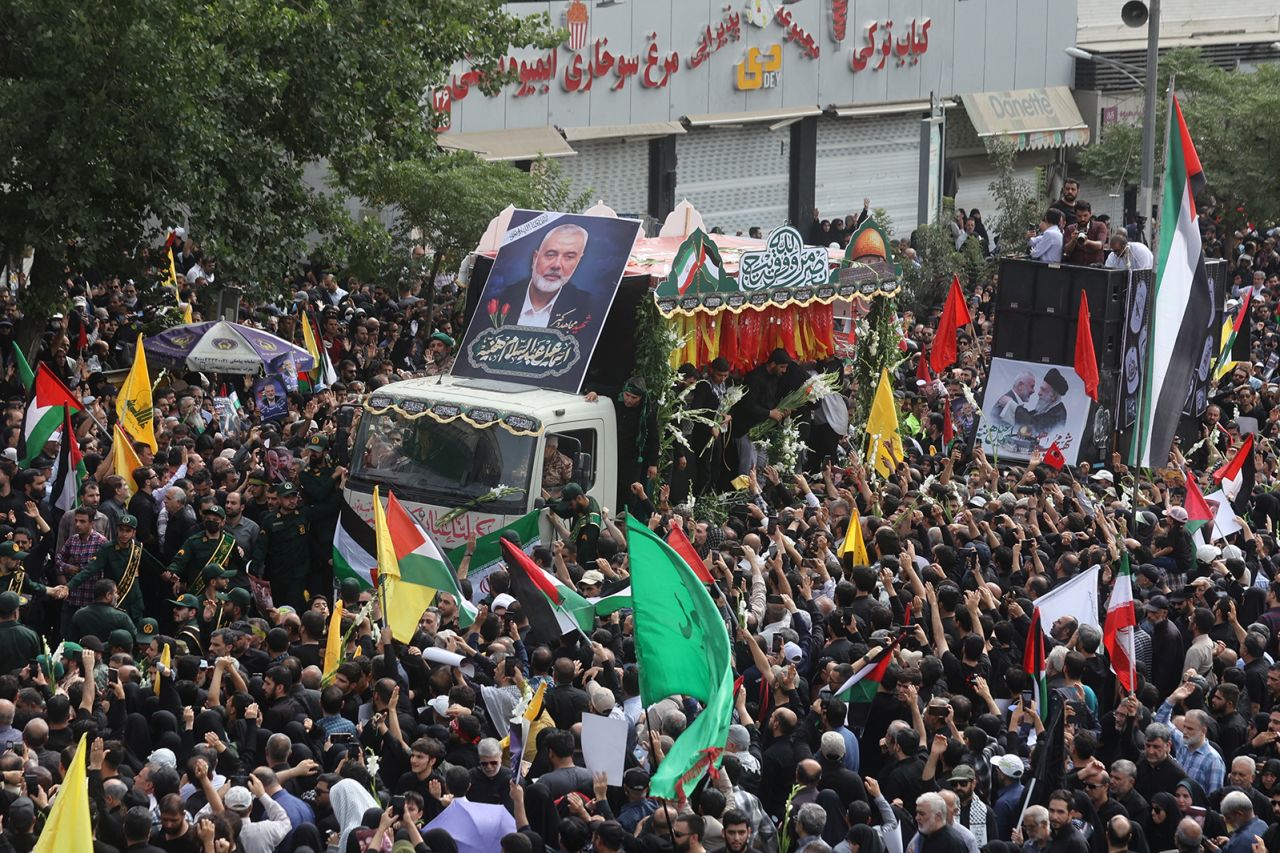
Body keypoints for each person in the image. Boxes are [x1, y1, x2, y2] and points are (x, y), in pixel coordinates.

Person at [497, 224, 600, 333]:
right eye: (551, 254)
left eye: (569, 257)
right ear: (535, 259)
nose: (556, 265)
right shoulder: (500, 297)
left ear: (577, 262)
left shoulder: (587, 307)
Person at [1063, 201, 1109, 266]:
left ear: (1090, 214)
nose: (1082, 219)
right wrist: (1073, 241)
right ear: (1075, 215)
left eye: (1085, 215)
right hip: (1075, 268)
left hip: (1095, 268)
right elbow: (1066, 251)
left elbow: (1100, 245)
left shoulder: (1100, 226)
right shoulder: (1070, 229)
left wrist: (1087, 242)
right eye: (1079, 216)